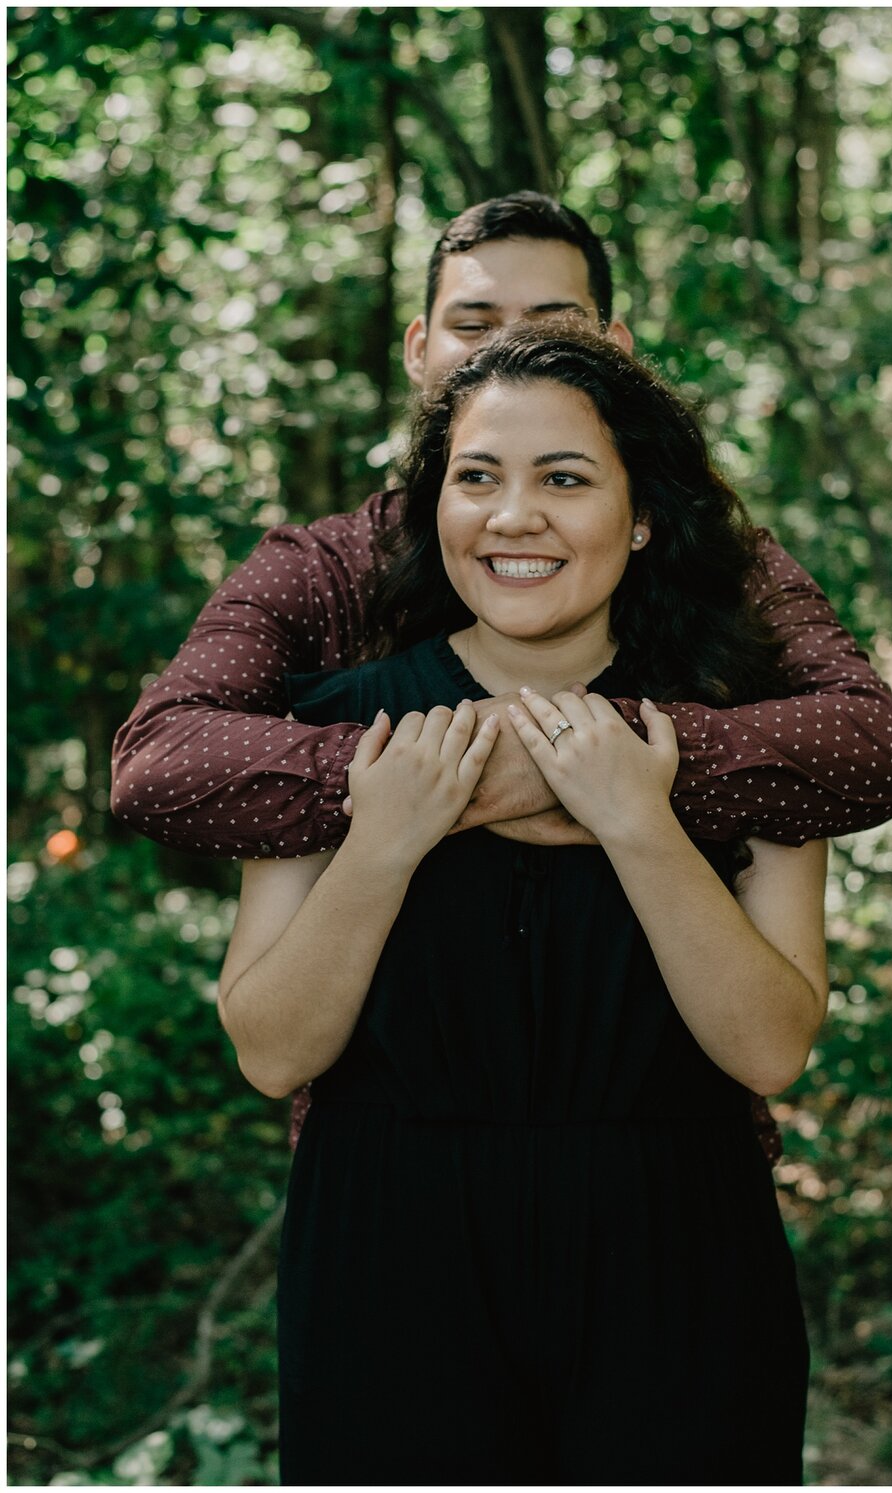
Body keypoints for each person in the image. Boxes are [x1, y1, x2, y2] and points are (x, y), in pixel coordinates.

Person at [111, 191, 892, 1161]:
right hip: (392, 1174)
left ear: (614, 350)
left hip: (668, 1179)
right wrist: (419, 780)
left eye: (553, 327)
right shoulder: (326, 570)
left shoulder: (716, 569)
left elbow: (874, 745)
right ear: (419, 350)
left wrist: (617, 766)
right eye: (473, 323)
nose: (502, 350)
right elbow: (157, 758)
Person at [218, 323, 829, 1483]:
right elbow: (269, 1046)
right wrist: (384, 841)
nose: (513, 516)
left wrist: (638, 820)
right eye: (478, 478)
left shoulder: (740, 732)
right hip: (388, 1247)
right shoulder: (330, 725)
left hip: (677, 1244)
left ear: (642, 512)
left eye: (564, 478)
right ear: (433, 506)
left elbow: (769, 1047)